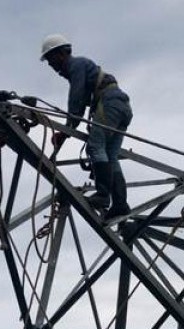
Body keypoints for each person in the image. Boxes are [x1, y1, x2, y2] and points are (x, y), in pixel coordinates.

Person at [40, 34, 133, 219]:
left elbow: (76, 101)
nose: (51, 65)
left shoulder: (76, 66)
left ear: (59, 54)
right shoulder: (81, 66)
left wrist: (65, 131)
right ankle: (120, 204)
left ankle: (103, 196)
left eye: (50, 59)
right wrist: (68, 128)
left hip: (110, 103)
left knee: (95, 147)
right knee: (111, 155)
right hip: (122, 107)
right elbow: (80, 104)